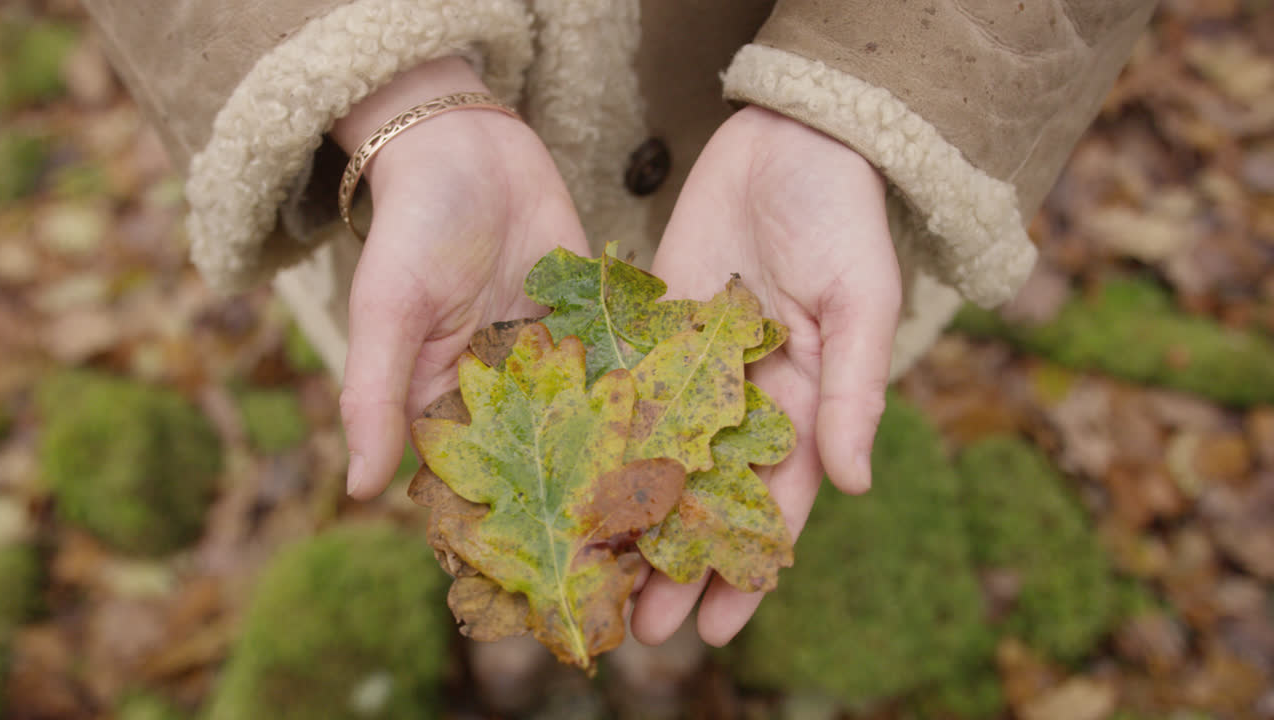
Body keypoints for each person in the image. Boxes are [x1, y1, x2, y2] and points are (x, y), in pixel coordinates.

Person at [80, 0, 1158, 649]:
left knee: (803, 403)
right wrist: (385, 90)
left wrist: (865, 93)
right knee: (440, 406)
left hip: (790, 152)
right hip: (407, 198)